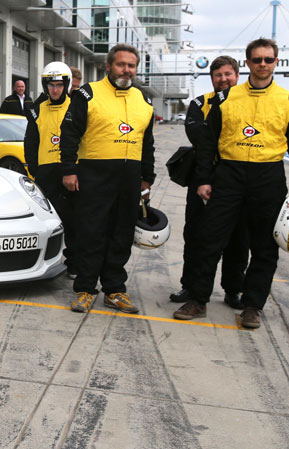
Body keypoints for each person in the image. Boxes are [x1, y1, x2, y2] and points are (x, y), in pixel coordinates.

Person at [174, 38, 289, 329]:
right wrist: (202, 180)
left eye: (268, 59)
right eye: (257, 59)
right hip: (229, 175)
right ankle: (198, 300)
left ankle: (252, 306)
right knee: (209, 240)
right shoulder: (226, 99)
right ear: (247, 63)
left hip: (268, 178)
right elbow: (207, 144)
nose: (263, 64)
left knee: (264, 248)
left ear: (276, 62)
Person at [59, 43, 156, 314]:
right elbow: (69, 135)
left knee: (122, 233)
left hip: (129, 178)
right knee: (92, 232)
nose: (126, 70)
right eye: (121, 64)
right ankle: (85, 289)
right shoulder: (88, 94)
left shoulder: (144, 101)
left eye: (131, 66)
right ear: (109, 66)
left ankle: (114, 289)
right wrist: (69, 170)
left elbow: (147, 143)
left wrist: (147, 177)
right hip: (94, 175)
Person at [170, 55, 249, 310]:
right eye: (218, 75)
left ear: (237, 76)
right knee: (194, 233)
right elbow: (200, 137)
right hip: (202, 176)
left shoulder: (249, 103)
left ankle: (233, 289)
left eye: (228, 74)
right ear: (212, 78)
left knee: (238, 237)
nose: (224, 79)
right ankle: (190, 286)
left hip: (238, 178)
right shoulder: (199, 103)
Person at [25, 62, 77, 279]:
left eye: (59, 85)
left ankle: (74, 262)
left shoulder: (77, 107)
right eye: (51, 85)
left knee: (74, 219)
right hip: (46, 172)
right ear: (45, 86)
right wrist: (33, 170)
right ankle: (46, 262)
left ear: (66, 85)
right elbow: (30, 141)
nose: (55, 89)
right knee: (47, 220)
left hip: (71, 171)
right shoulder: (36, 110)